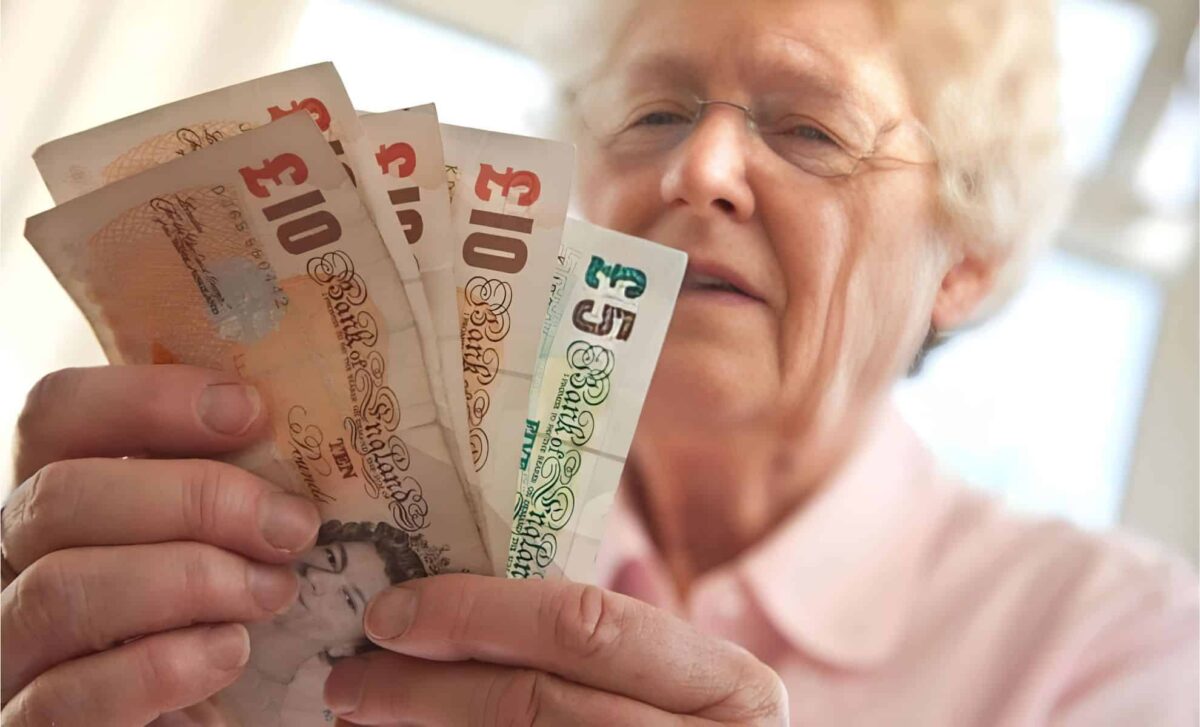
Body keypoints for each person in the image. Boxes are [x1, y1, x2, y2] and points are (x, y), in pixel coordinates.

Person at [1, 0, 1196, 725]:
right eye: (655, 115)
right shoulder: (297, 514)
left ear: (964, 263)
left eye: (811, 130)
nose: (700, 172)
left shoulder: (1119, 641)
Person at [216, 520, 428, 727]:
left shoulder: (265, 717)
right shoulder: (216, 565)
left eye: (348, 599)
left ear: (348, 648)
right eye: (331, 558)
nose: (316, 576)